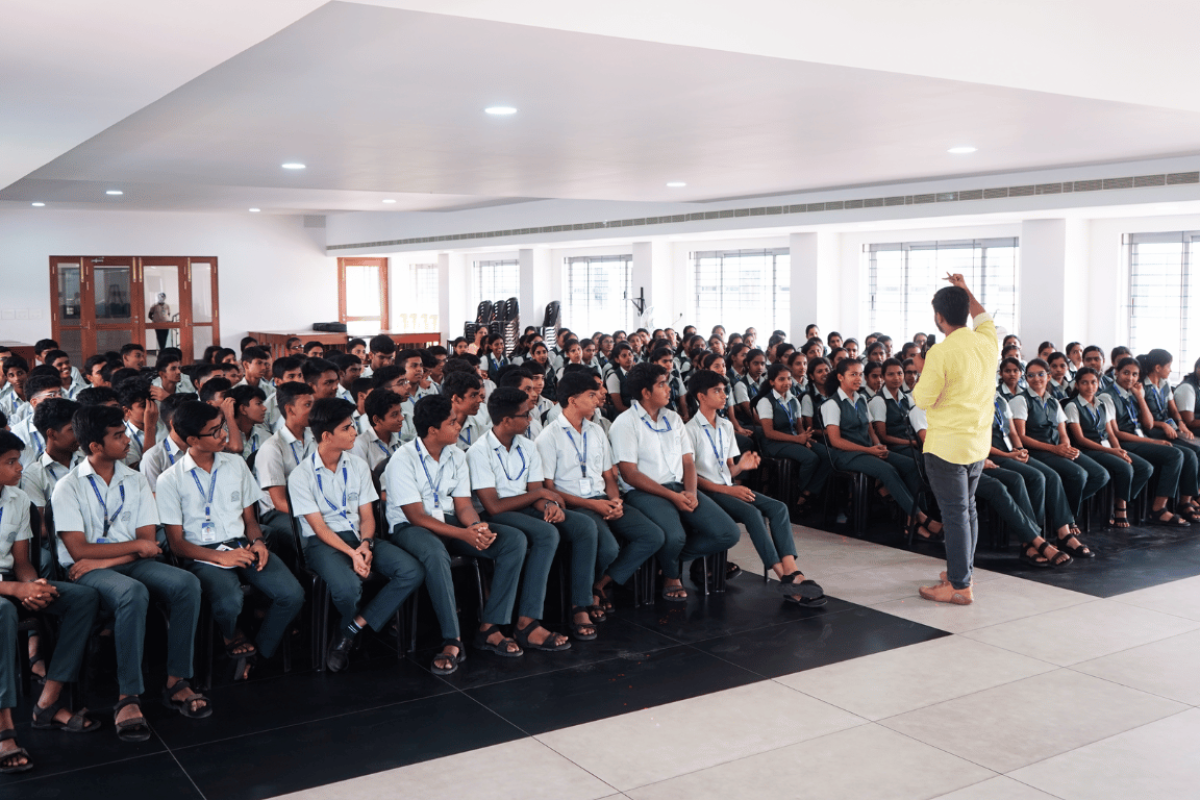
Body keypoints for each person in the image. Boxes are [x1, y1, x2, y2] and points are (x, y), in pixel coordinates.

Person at [52, 404, 207, 739]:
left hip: (111, 564)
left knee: (186, 584)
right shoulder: (68, 487)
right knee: (131, 592)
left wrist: (105, 560)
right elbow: (79, 551)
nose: (127, 441)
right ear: (95, 446)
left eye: (125, 433)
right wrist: (125, 553)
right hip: (85, 571)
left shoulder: (135, 480)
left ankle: (177, 680)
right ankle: (127, 696)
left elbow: (148, 542)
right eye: (118, 436)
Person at [157, 401, 304, 681]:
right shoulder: (170, 480)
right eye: (214, 431)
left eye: (223, 426)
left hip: (241, 545)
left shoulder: (235, 464)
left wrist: (259, 543)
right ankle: (229, 634)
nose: (224, 434)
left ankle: (259, 651)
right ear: (191, 440)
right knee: (229, 600)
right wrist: (220, 558)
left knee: (292, 595)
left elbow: (250, 521)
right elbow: (176, 544)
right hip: (202, 554)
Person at [384, 395, 528, 672]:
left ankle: (490, 627)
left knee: (513, 541)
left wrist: (476, 527)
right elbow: (416, 516)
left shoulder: (457, 454)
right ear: (432, 430)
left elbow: (463, 505)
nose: (458, 425)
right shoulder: (402, 459)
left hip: (449, 522)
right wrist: (463, 535)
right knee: (437, 554)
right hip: (410, 528)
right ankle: (453, 639)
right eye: (451, 422)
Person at [289, 398, 424, 672]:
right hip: (322, 543)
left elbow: (367, 516)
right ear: (327, 436)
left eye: (353, 426)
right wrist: (352, 554)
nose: (354, 433)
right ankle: (351, 629)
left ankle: (349, 630)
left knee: (412, 570)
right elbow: (319, 527)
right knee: (348, 588)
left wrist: (365, 544)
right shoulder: (300, 475)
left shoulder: (358, 465)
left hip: (359, 537)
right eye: (347, 428)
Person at [686, 370, 825, 604]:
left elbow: (728, 470)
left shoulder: (725, 426)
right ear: (701, 396)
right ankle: (784, 579)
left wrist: (741, 466)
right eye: (717, 391)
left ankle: (792, 570)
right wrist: (729, 489)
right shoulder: (689, 430)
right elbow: (691, 478)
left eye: (724, 390)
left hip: (727, 486)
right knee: (753, 513)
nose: (723, 395)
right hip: (708, 492)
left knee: (779, 507)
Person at [536, 371, 664, 616]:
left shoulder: (596, 431)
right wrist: (594, 506)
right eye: (591, 395)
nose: (598, 399)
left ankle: (600, 584)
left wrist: (614, 500)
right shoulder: (548, 437)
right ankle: (586, 596)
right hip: (575, 505)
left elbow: (608, 477)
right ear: (573, 401)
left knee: (653, 536)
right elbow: (549, 489)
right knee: (608, 549)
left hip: (603, 499)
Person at [610, 363, 741, 602]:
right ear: (645, 393)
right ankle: (672, 576)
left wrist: (690, 492)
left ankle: (665, 558)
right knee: (675, 535)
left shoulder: (673, 418)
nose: (669, 388)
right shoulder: (625, 423)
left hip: (679, 487)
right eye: (661, 384)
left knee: (728, 533)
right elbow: (629, 474)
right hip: (644, 492)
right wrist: (673, 497)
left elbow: (688, 462)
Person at [912, 274, 999, 605]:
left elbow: (924, 399)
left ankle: (960, 586)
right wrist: (965, 290)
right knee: (968, 510)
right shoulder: (987, 340)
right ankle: (963, 572)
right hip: (977, 442)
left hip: (947, 445)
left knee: (955, 513)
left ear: (938, 317)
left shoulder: (940, 353)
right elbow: (983, 316)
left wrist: (922, 368)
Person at [821, 358, 943, 540]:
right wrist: (869, 450)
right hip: (845, 455)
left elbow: (871, 431)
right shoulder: (831, 404)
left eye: (860, 374)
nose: (858, 378)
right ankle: (921, 518)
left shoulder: (861, 399)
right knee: (887, 470)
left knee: (911, 465)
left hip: (868, 451)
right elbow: (836, 441)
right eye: (853, 374)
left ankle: (910, 520)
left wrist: (877, 445)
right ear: (840, 377)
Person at [1008, 359, 1107, 557]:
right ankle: (1064, 530)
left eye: (1041, 374)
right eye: (1031, 375)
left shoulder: (1054, 401)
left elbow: (1063, 432)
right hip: (1037, 450)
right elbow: (1021, 437)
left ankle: (1058, 512)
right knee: (1076, 474)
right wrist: (1055, 449)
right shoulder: (1020, 400)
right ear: (1026, 379)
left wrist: (1066, 447)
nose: (1036, 379)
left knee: (1099, 474)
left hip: (1055, 449)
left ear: (1049, 377)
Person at [1065, 367, 1154, 530]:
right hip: (1088, 449)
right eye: (1084, 383)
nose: (1089, 386)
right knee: (1124, 468)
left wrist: (1120, 450)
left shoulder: (1101, 403)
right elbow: (1080, 439)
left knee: (1144, 468)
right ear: (1077, 385)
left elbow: (1111, 433)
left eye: (1093, 382)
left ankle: (1119, 498)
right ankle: (1120, 507)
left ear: (1098, 384)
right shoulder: (1073, 406)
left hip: (1106, 447)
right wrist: (1112, 451)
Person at [754, 363, 831, 509]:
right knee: (811, 458)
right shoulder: (766, 401)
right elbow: (768, 432)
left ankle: (807, 492)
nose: (787, 383)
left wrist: (805, 438)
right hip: (774, 443)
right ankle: (797, 492)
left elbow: (799, 427)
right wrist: (797, 439)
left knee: (828, 455)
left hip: (794, 439)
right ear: (772, 382)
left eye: (789, 379)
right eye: (781, 379)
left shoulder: (794, 400)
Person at [351, 389, 405, 471]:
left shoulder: (400, 444)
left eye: (400, 412)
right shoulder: (360, 445)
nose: (401, 418)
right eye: (394, 415)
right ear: (376, 419)